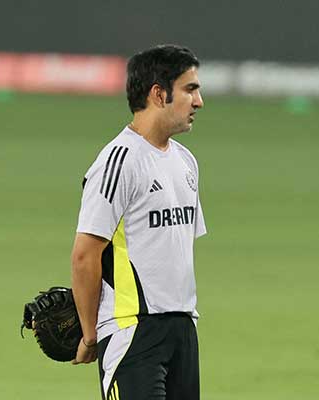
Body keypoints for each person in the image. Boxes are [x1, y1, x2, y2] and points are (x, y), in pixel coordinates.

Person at [70, 44, 207, 400]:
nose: (199, 101)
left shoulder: (186, 162)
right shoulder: (119, 161)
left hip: (182, 330)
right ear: (158, 94)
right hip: (132, 331)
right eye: (190, 89)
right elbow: (86, 255)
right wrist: (90, 335)